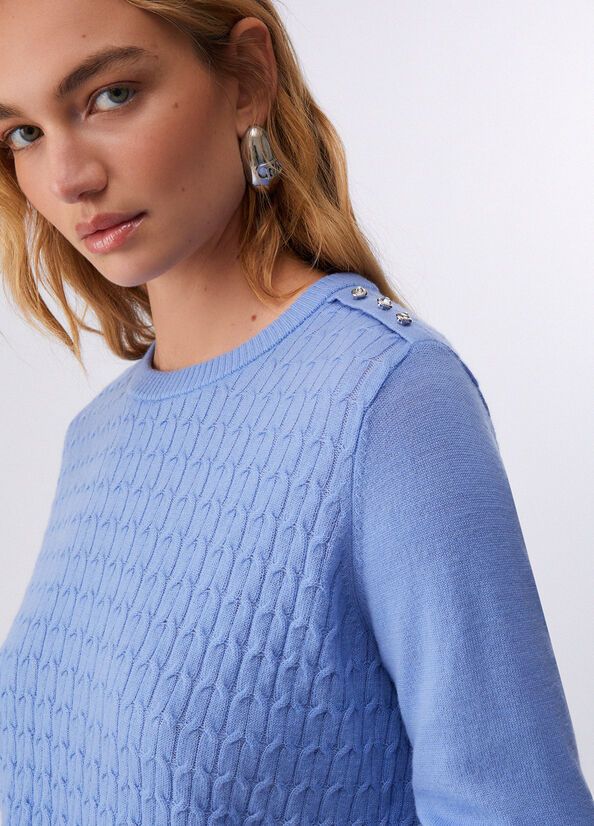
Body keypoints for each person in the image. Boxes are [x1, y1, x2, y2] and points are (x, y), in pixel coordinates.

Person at [0, 1, 592, 823]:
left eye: (111, 96)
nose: (68, 178)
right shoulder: (95, 438)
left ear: (247, 78)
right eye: (24, 133)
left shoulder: (388, 396)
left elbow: (517, 805)